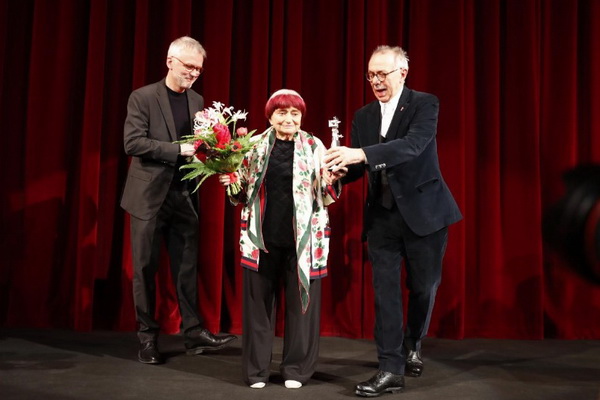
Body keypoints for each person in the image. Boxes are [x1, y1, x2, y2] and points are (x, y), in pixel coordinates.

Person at [324, 45, 462, 397]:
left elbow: (412, 146)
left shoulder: (424, 103)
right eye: (371, 74)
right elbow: (361, 166)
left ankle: (413, 342)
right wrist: (339, 173)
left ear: (402, 73)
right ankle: (390, 368)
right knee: (385, 294)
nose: (376, 81)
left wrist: (360, 154)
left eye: (382, 74)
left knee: (423, 288)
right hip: (382, 216)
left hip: (425, 213)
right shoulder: (363, 115)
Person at [121, 36, 236, 365]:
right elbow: (133, 143)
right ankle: (147, 337)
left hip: (184, 196)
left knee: (187, 267)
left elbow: (201, 145)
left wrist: (219, 155)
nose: (194, 74)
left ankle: (193, 331)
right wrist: (177, 150)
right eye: (189, 67)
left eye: (198, 69)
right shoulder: (142, 97)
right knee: (145, 269)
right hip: (147, 198)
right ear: (170, 61)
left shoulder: (197, 100)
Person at [219, 89, 343, 389]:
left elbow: (325, 197)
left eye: (295, 113)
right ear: (270, 116)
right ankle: (256, 372)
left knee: (302, 311)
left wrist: (331, 181)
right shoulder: (254, 146)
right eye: (282, 112)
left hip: (304, 242)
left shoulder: (314, 145)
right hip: (261, 241)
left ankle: (296, 370)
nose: (289, 119)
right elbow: (241, 193)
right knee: (257, 309)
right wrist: (230, 182)